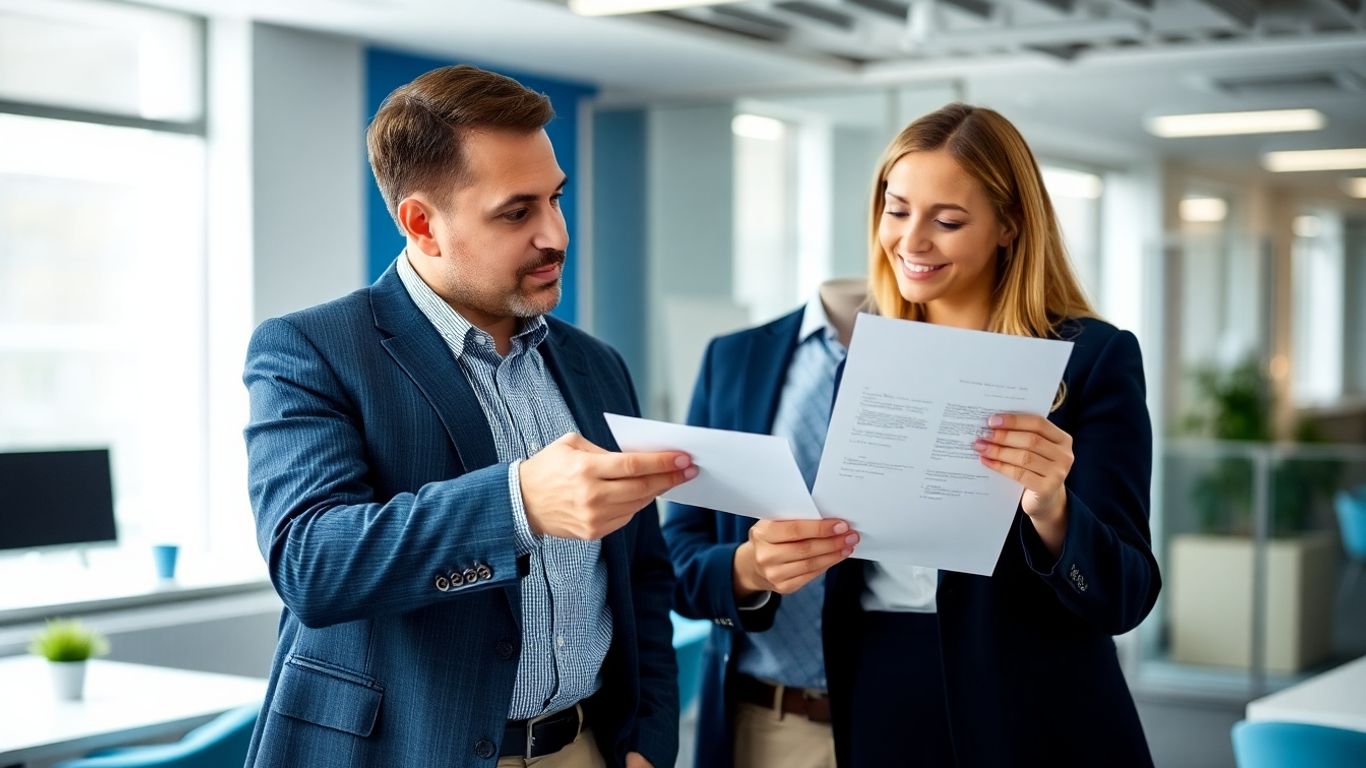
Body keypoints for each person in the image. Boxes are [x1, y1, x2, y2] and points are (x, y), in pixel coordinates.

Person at [241, 65, 689, 768]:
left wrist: (647, 740)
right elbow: (312, 563)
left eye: (556, 200)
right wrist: (517, 502)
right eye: (517, 213)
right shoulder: (312, 349)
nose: (555, 235)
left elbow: (642, 576)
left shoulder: (596, 364)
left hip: (584, 747)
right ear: (422, 224)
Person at [820, 102, 1162, 767]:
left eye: (947, 221)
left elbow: (1126, 594)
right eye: (897, 210)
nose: (911, 242)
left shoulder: (1091, 359)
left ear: (1009, 226)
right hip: (884, 683)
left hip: (1034, 710)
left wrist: (1052, 508)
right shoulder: (869, 356)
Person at [664, 278, 866, 768]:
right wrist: (746, 571)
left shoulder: (949, 362)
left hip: (920, 719)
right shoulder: (733, 359)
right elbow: (678, 553)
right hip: (768, 727)